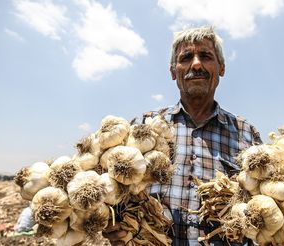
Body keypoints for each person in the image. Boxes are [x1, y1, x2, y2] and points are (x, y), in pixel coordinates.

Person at [102, 26, 262, 246]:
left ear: (221, 68)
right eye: (186, 58)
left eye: (205, 56)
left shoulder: (246, 133)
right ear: (173, 72)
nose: (196, 64)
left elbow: (260, 207)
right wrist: (113, 224)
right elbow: (111, 194)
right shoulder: (141, 127)